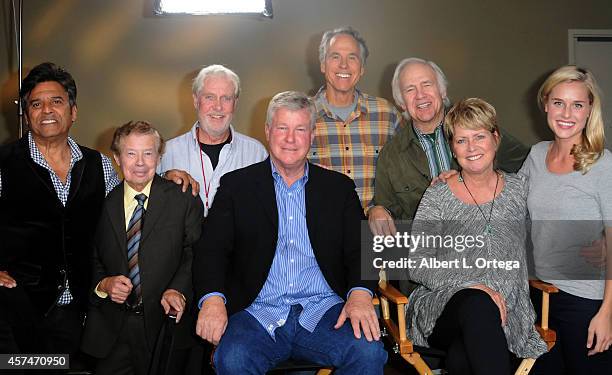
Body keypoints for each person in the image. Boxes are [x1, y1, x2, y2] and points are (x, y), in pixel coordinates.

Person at [0, 62, 196, 366]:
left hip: (79, 313)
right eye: (36, 104)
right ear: (26, 115)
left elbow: (134, 196)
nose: (47, 110)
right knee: (19, 368)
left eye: (57, 101)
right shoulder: (4, 163)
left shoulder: (100, 166)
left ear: (73, 111)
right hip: (17, 310)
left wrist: (166, 177)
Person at [193, 91, 387, 374]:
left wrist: (359, 295)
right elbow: (211, 251)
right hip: (257, 313)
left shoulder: (338, 188)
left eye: (300, 129)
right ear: (268, 131)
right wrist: (212, 300)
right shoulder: (237, 187)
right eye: (282, 128)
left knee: (368, 352)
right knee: (232, 358)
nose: (290, 138)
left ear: (312, 134)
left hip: (325, 312)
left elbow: (362, 249)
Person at [407, 98, 547, 374]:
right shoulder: (438, 195)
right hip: (444, 306)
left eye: (479, 136)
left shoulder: (520, 189)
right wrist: (470, 284)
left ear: (496, 138)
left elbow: (546, 232)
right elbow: (418, 263)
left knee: (462, 359)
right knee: (478, 304)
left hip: (509, 309)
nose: (471, 148)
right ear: (452, 148)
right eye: (461, 140)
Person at [81, 121, 203, 374]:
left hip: (166, 326)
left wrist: (177, 290)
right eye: (131, 153)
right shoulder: (100, 203)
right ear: (116, 157)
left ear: (159, 157)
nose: (140, 162)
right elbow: (90, 258)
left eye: (148, 153)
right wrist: (104, 285)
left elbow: (195, 253)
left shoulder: (183, 198)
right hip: (112, 333)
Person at [368, 57, 529, 235]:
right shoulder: (391, 156)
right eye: (410, 89)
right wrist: (378, 211)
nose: (420, 95)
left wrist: (474, 179)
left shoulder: (476, 129)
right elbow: (388, 214)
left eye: (427, 84)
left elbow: (528, 166)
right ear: (401, 102)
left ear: (442, 91)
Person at [520, 65, 612, 374]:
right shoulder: (535, 155)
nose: (566, 112)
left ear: (589, 111)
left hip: (587, 302)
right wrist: (460, 178)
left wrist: (607, 314)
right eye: (558, 102)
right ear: (545, 103)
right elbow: (507, 204)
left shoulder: (602, 164)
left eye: (577, 104)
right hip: (541, 297)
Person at [310, 26, 404, 212]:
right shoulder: (302, 116)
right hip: (319, 233)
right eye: (335, 56)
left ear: (362, 68)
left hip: (373, 232)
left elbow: (404, 178)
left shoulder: (388, 115)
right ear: (322, 64)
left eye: (352, 57)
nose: (343, 65)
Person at [159, 64, 267, 216]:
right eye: (209, 97)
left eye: (226, 98)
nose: (218, 106)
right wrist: (162, 180)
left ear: (235, 103)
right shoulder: (166, 153)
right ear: (196, 101)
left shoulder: (256, 154)